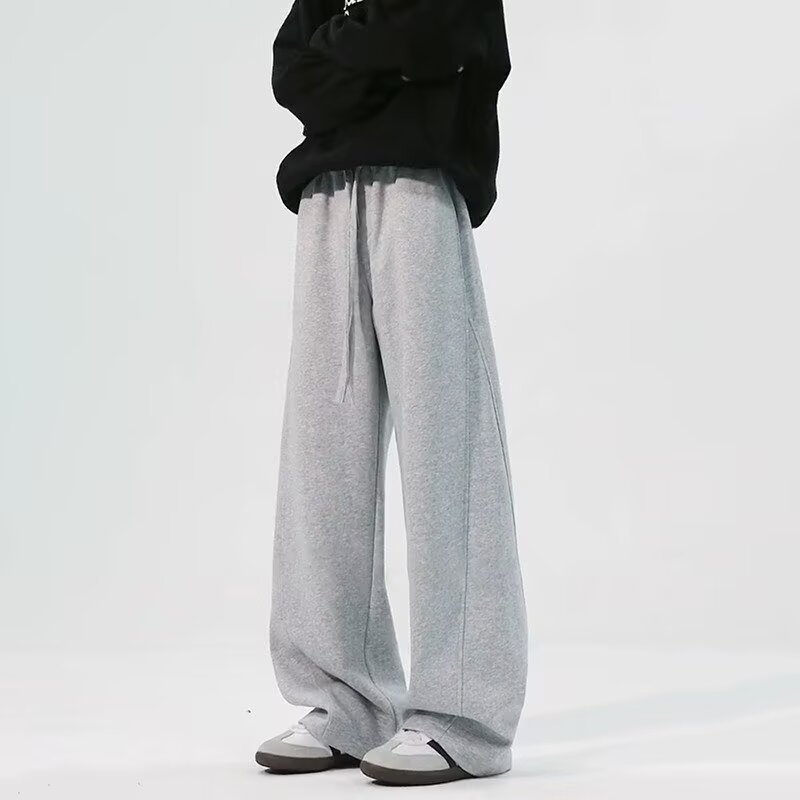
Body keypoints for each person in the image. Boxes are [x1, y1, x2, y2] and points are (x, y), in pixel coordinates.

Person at [255, 0, 528, 786]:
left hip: (421, 184)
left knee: (449, 446)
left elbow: (440, 34)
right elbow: (293, 73)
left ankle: (464, 719)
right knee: (321, 452)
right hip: (326, 195)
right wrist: (386, 63)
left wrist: (359, 51)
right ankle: (344, 701)